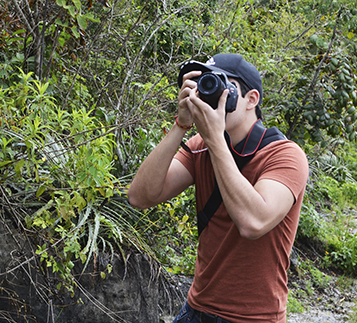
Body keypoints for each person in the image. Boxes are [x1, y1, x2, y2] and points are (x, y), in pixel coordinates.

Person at [128, 53, 309, 323]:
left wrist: (214, 139)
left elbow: (253, 222)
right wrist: (181, 125)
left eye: (225, 85)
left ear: (251, 100)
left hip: (255, 318)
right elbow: (140, 196)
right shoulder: (200, 146)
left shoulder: (285, 155)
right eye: (208, 85)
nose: (214, 94)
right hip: (196, 310)